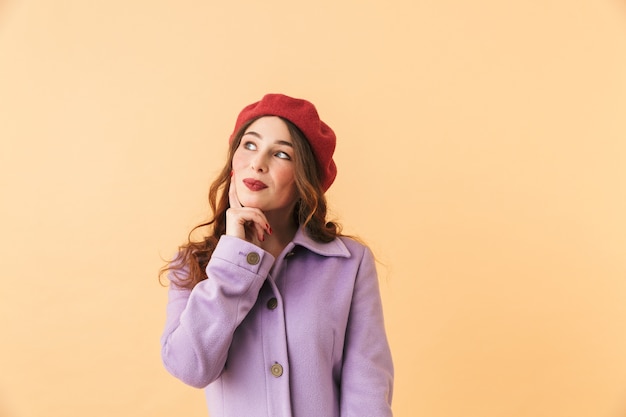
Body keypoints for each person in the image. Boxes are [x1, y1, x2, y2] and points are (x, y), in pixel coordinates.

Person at [160, 93, 394, 417]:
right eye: (250, 145)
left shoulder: (349, 264)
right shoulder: (193, 263)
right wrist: (233, 260)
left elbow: (367, 393)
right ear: (233, 161)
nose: (258, 163)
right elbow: (190, 368)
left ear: (304, 179)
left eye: (281, 153)